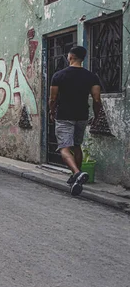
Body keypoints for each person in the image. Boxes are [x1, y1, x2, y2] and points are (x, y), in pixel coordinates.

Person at [49, 46, 102, 196]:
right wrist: (97, 115)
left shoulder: (59, 76)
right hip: (82, 116)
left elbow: (53, 98)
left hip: (64, 116)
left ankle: (77, 173)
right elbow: (97, 99)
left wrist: (52, 111)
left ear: (70, 57)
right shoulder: (92, 76)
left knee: (64, 148)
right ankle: (76, 178)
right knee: (77, 146)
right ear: (83, 58)